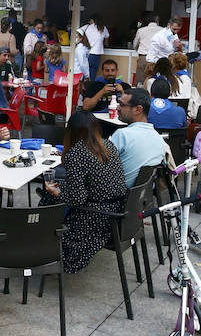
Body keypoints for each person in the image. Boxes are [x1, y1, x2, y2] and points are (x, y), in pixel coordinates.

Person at [39, 111, 128, 274]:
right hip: (116, 212)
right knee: (56, 192)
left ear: (71, 130)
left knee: (49, 198)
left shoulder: (76, 153)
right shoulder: (108, 145)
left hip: (94, 218)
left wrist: (57, 192)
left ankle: (40, 239)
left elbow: (78, 199)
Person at [109, 88, 169, 186]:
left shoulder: (122, 135)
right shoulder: (159, 139)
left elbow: (101, 168)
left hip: (116, 196)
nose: (117, 108)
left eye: (122, 105)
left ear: (138, 109)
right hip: (142, 196)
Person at [133, 13, 162, 85]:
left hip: (143, 58)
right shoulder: (163, 31)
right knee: (156, 82)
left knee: (140, 82)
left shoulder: (141, 30)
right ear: (157, 21)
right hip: (157, 59)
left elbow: (135, 45)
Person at [82, 14, 110, 80]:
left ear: (92, 20)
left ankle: (83, 88)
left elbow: (77, 33)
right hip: (97, 55)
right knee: (92, 75)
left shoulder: (87, 27)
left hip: (88, 53)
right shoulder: (103, 28)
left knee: (85, 74)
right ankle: (90, 88)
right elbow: (106, 40)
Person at [8, 9, 27, 75]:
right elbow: (24, 35)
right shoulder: (20, 26)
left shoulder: (9, 28)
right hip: (18, 49)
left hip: (14, 50)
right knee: (17, 72)